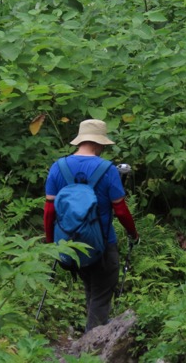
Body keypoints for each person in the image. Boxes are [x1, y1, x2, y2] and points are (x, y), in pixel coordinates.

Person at [43, 119, 139, 331]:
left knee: (91, 287)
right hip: (103, 243)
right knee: (103, 291)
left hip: (69, 243)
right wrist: (133, 233)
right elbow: (121, 210)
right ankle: (92, 346)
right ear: (99, 144)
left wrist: (52, 242)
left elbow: (49, 210)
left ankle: (90, 336)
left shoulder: (58, 167)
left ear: (81, 140)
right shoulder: (107, 169)